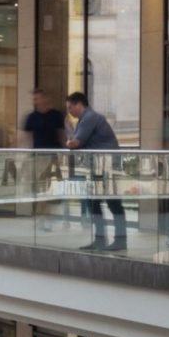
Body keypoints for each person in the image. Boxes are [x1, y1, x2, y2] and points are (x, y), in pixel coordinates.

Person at [66, 90, 127, 249]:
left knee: (113, 203)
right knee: (94, 203)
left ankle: (120, 240)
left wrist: (69, 143)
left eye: (70, 107)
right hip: (99, 166)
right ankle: (101, 239)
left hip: (106, 166)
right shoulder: (85, 118)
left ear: (79, 104)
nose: (69, 112)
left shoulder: (89, 117)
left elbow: (75, 143)